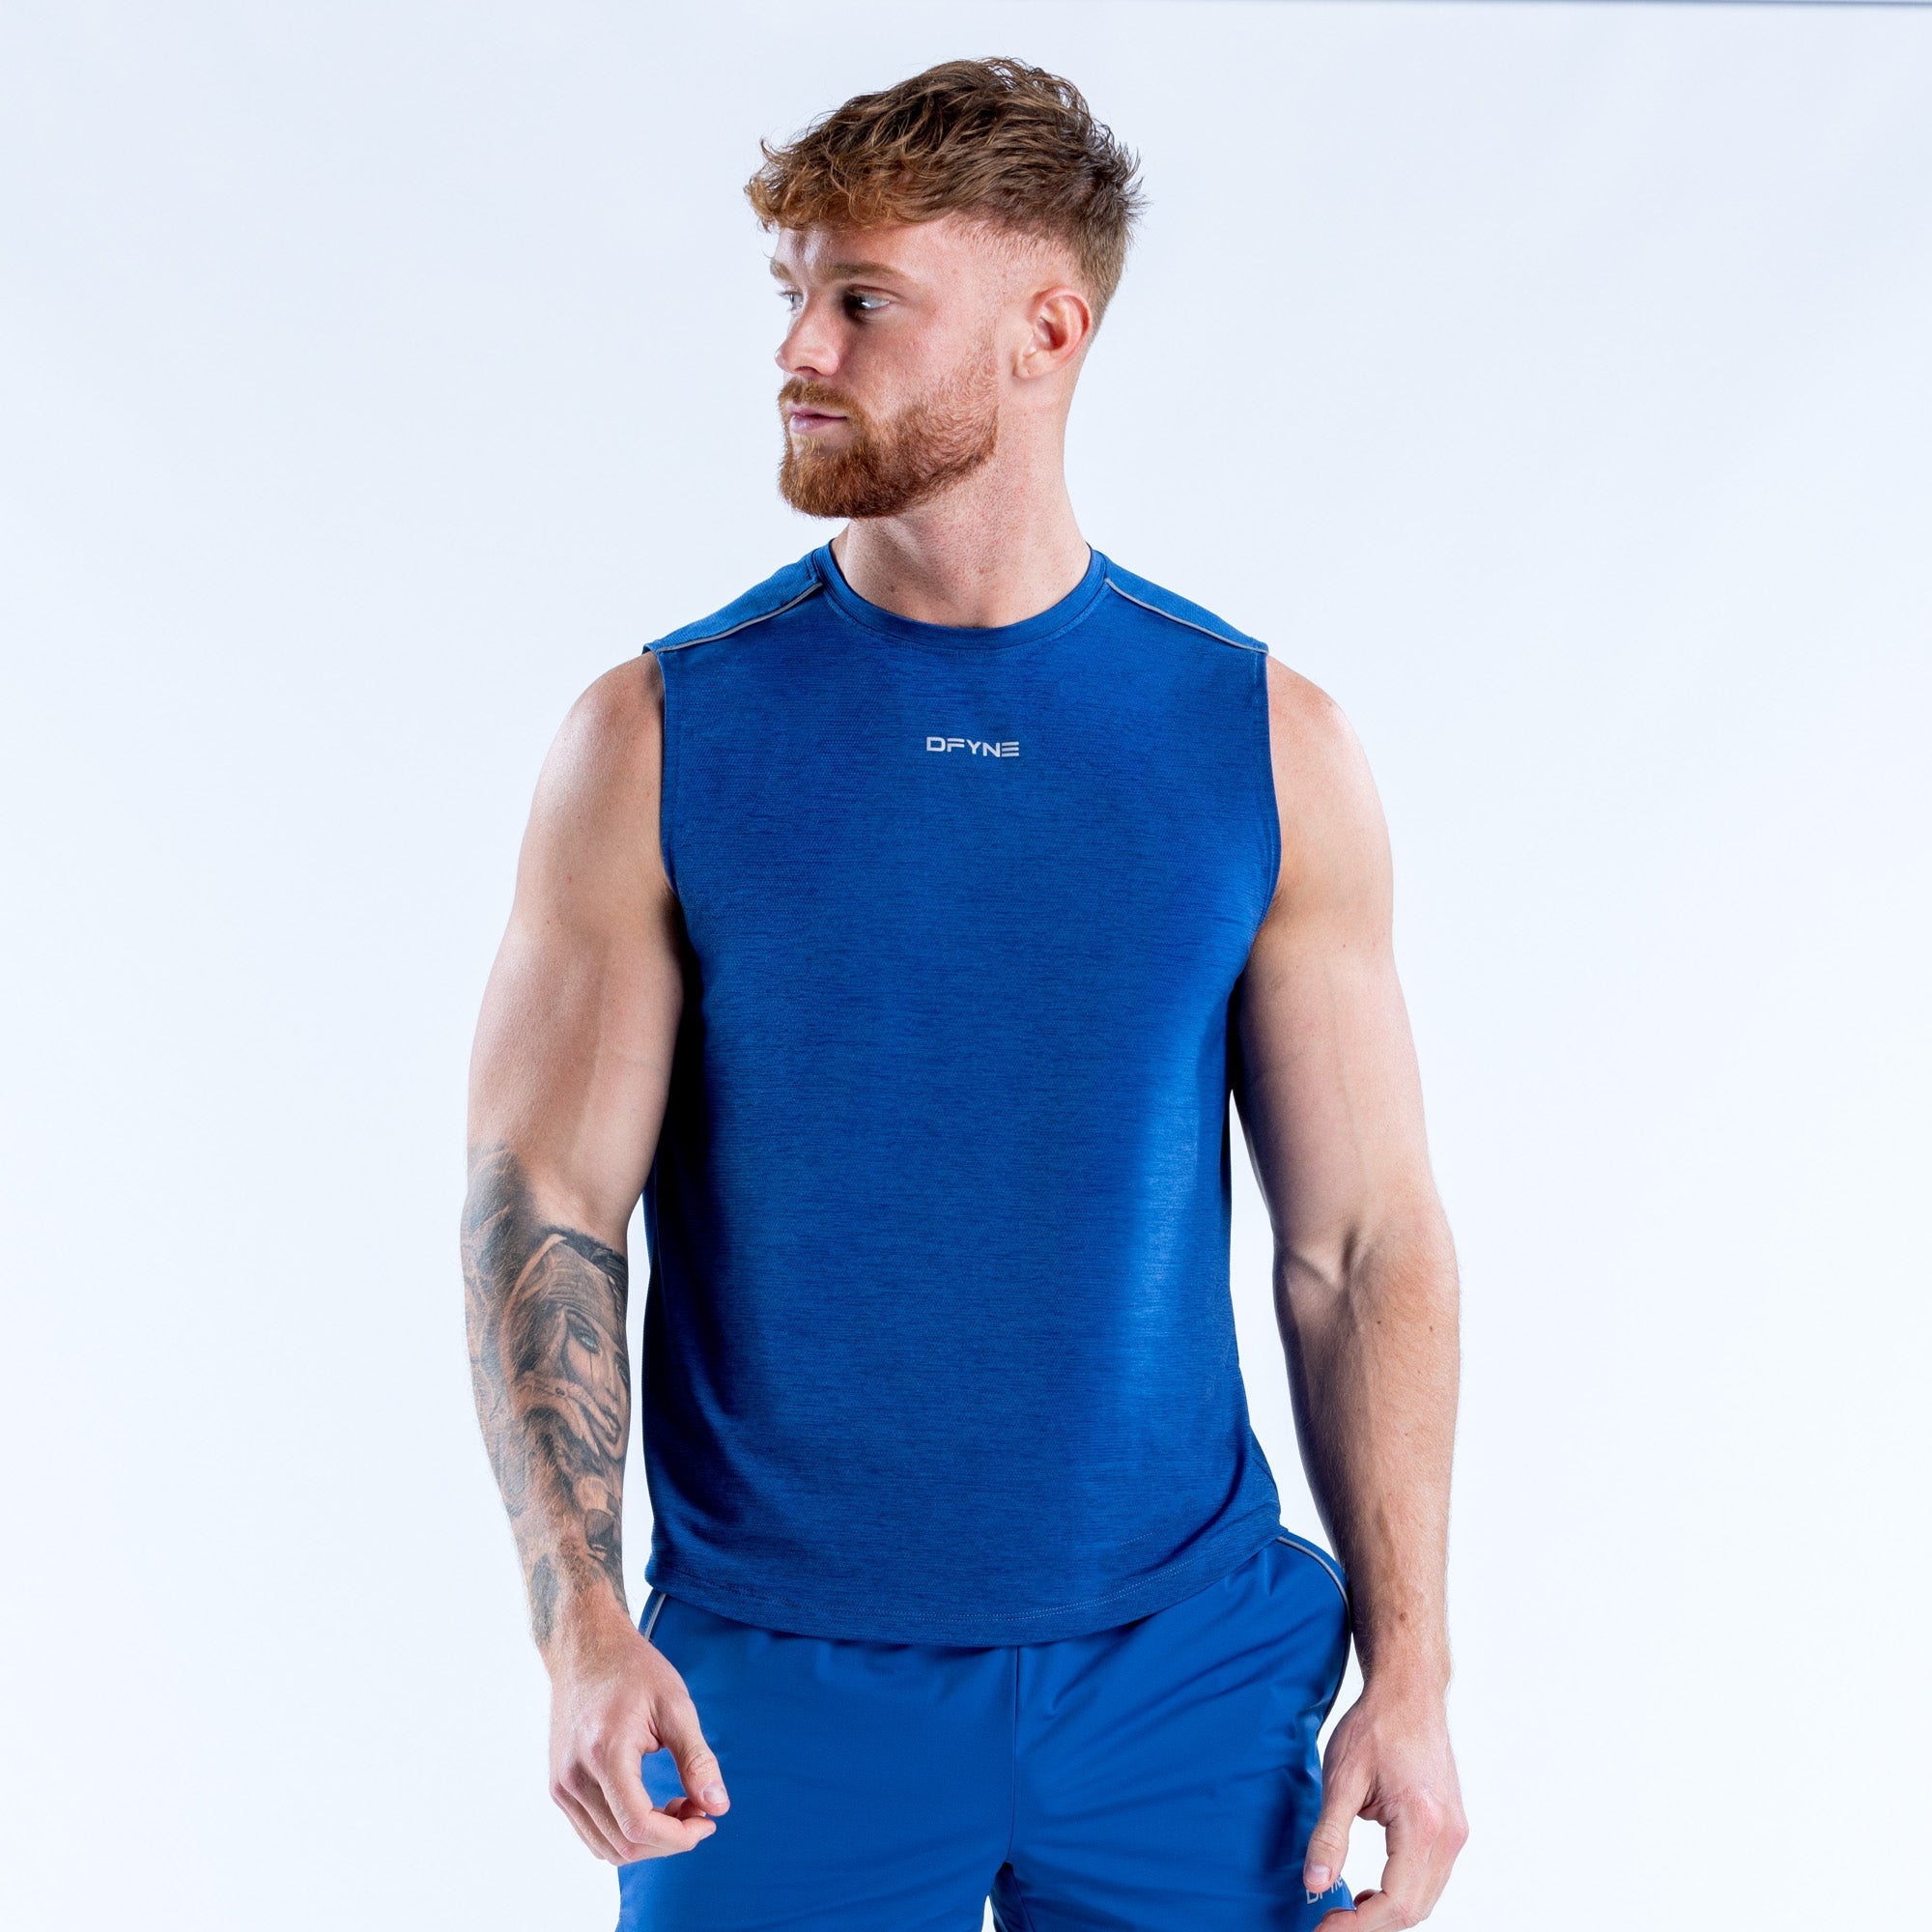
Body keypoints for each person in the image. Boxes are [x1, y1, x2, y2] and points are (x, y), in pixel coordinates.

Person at [463, 57, 1467, 1932]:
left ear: (1045, 332)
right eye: (791, 294)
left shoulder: (1260, 743)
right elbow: (547, 1208)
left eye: (863, 301)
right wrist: (579, 1625)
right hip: (768, 1692)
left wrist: (1411, 1674)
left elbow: (1357, 1243)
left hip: (1186, 1678)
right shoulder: (658, 736)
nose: (799, 349)